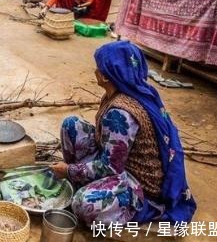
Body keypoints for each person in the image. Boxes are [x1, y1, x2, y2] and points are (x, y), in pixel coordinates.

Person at [50, 41, 196, 226]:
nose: (95, 71)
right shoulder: (124, 92)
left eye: (98, 68)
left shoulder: (120, 113)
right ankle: (85, 182)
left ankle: (127, 206)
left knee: (83, 204)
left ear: (105, 76)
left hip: (136, 182)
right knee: (71, 124)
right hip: (119, 161)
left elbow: (110, 167)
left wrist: (69, 170)